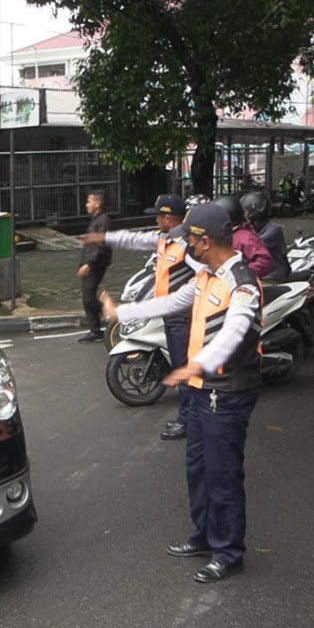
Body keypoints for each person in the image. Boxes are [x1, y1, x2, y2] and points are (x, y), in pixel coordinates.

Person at [100, 204, 262, 583]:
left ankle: (228, 552)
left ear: (205, 242)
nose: (186, 244)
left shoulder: (242, 283)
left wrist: (198, 363)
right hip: (201, 389)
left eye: (190, 238)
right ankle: (204, 535)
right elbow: (172, 302)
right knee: (198, 469)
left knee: (223, 474)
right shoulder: (206, 275)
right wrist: (122, 313)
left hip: (226, 391)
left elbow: (236, 331)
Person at [81, 193, 199, 440]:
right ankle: (190, 417)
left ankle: (188, 421)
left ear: (168, 218)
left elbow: (204, 277)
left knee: (184, 369)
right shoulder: (165, 240)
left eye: (158, 215)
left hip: (183, 318)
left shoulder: (187, 245)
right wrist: (105, 237)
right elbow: (135, 239)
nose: (156, 220)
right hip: (171, 314)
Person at [77, 188, 113, 343]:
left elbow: (101, 245)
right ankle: (95, 329)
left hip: (96, 264)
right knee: (87, 297)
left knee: (88, 298)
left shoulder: (103, 220)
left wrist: (89, 264)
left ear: (97, 203)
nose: (87, 205)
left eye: (89, 201)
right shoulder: (96, 220)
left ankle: (111, 316)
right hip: (90, 262)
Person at [212, 195, 274, 278]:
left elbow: (265, 261)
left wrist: (242, 272)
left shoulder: (245, 238)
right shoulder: (223, 236)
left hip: (242, 284)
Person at [240, 191, 290, 281]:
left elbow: (252, 246)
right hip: (260, 275)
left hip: (272, 277)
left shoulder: (274, 229)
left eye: (245, 212)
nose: (244, 215)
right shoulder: (253, 228)